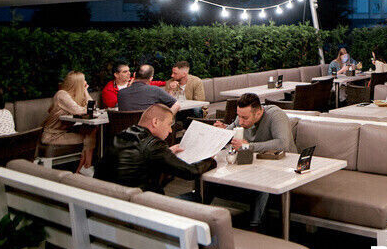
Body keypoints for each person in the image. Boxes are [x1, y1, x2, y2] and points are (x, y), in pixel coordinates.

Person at [213, 93, 297, 229]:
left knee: (264, 183)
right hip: (257, 165)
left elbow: (283, 144)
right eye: (238, 116)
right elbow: (228, 134)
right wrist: (219, 133)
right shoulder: (241, 117)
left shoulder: (276, 115)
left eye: (244, 118)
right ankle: (197, 217)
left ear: (258, 113)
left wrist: (249, 146)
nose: (240, 121)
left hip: (284, 166)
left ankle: (255, 227)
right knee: (212, 174)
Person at [96, 104, 215, 196]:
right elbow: (191, 172)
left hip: (107, 201)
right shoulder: (154, 144)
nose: (170, 130)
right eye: (169, 124)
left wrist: (167, 152)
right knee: (197, 197)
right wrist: (210, 159)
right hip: (143, 207)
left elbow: (141, 156)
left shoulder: (121, 135)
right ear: (155, 122)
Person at [41, 71, 96, 175]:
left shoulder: (75, 96)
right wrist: (86, 102)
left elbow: (91, 107)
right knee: (88, 137)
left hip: (64, 132)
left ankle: (83, 169)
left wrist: (85, 92)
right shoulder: (61, 95)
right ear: (77, 83)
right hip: (53, 135)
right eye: (83, 80)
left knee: (91, 130)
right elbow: (79, 111)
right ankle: (84, 169)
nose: (85, 82)